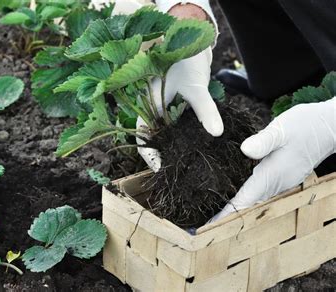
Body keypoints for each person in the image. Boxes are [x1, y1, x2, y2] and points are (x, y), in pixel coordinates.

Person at [92, 0, 336, 221]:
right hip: (291, 56)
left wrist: (329, 123)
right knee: (283, 78)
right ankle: (301, 72)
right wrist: (186, 17)